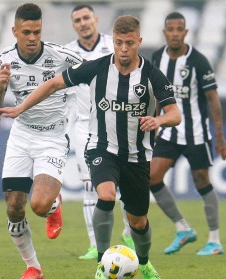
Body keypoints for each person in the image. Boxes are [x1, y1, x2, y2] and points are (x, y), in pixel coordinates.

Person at [0, 15, 181, 279]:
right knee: (105, 196)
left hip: (137, 155)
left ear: (139, 41)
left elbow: (175, 114)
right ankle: (102, 266)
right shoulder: (97, 68)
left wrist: (159, 119)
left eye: (129, 43)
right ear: (113, 42)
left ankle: (144, 261)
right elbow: (53, 83)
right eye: (119, 43)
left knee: (138, 221)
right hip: (102, 149)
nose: (124, 49)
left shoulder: (152, 75)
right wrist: (22, 106)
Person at [0, 4, 83, 279]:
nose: (31, 38)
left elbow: (96, 73)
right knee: (14, 207)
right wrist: (1, 89)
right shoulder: (4, 61)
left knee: (39, 206)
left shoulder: (61, 56)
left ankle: (53, 205)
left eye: (37, 32)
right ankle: (33, 267)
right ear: (14, 31)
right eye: (26, 32)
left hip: (52, 136)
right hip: (22, 134)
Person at [149, 12, 226, 256]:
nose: (174, 33)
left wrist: (219, 136)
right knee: (151, 178)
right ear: (165, 32)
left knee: (202, 181)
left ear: (185, 32)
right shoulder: (156, 58)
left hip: (196, 132)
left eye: (179, 29)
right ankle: (183, 229)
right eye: (170, 29)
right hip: (168, 131)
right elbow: (155, 96)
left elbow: (213, 99)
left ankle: (214, 240)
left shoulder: (199, 61)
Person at [64, 4, 134, 260]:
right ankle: (95, 245)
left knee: (126, 186)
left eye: (86, 18)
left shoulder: (115, 45)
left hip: (117, 122)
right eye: (77, 20)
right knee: (90, 188)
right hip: (84, 127)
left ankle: (129, 234)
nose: (83, 23)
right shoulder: (68, 53)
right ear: (74, 25)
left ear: (96, 19)